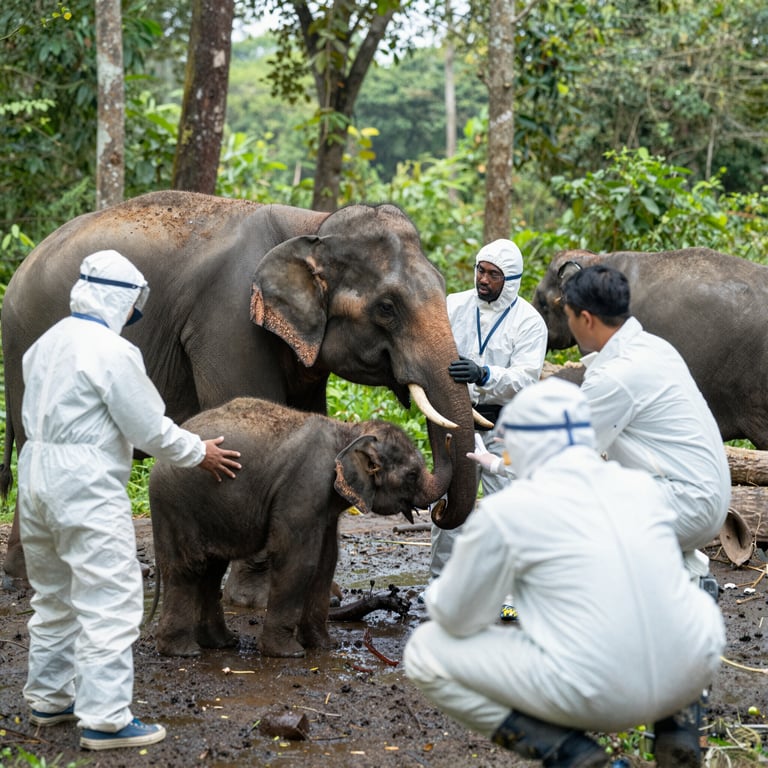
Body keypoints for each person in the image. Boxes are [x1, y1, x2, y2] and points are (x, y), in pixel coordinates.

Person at [404, 377, 726, 768]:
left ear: (521, 444)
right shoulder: (640, 487)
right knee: (694, 596)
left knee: (426, 651)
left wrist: (444, 593)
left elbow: (457, 617)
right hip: (691, 668)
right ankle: (679, 733)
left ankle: (573, 756)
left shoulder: (509, 512)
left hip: (600, 693)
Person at [17, 250, 242, 751]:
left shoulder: (46, 344)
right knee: (110, 598)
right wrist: (196, 451)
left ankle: (51, 698)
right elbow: (147, 426)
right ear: (121, 299)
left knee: (53, 595)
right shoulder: (111, 351)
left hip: (35, 474)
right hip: (84, 480)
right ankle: (106, 719)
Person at [560, 264, 730, 578]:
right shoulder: (654, 347)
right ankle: (685, 579)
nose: (569, 325)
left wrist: (502, 459)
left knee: (570, 506)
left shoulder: (616, 376)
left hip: (683, 505)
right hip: (708, 498)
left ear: (586, 318)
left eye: (569, 316)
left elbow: (562, 450)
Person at [429, 239, 548, 585]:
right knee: (454, 504)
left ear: (510, 281)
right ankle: (442, 585)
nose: (483, 279)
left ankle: (509, 593)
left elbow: (526, 378)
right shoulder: (454, 305)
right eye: (480, 270)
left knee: (507, 509)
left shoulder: (529, 322)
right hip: (459, 419)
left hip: (504, 426)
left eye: (493, 275)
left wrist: (484, 374)